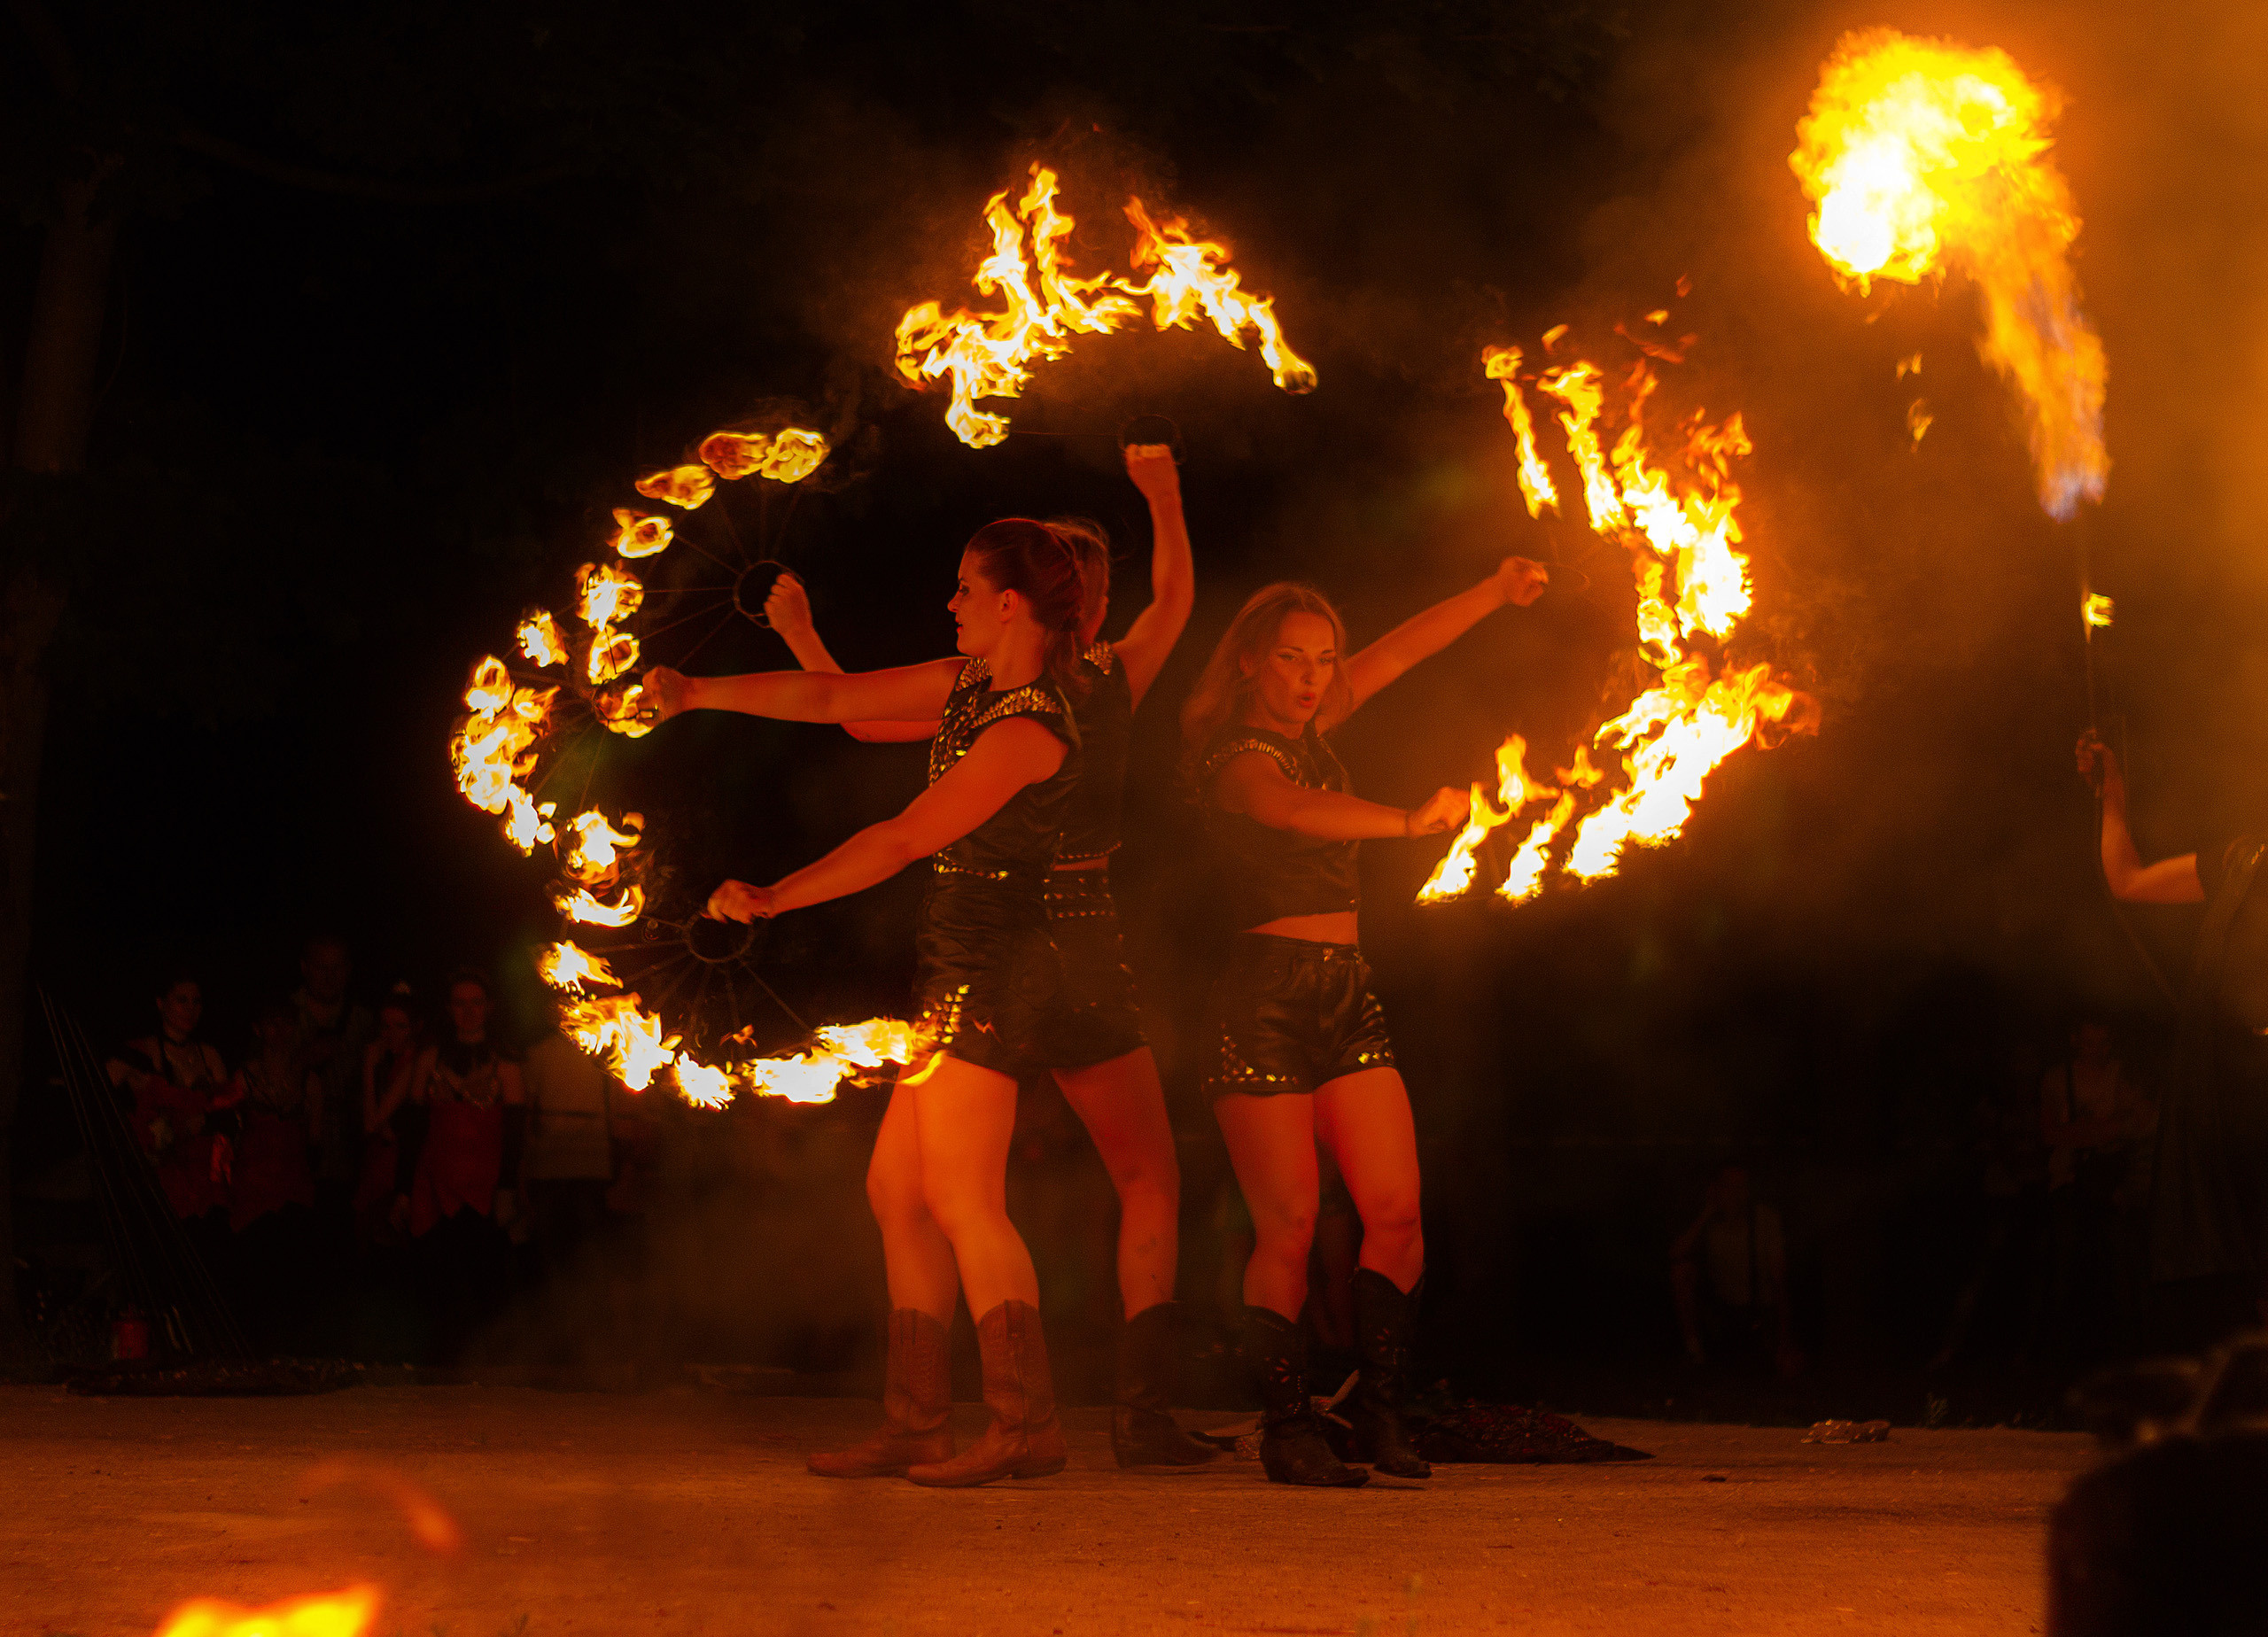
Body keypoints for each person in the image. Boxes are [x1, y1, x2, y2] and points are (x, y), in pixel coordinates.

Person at [759, 443, 1213, 1466]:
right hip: (1018, 936)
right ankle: (936, 1416)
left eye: (1082, 577)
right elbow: (856, 714)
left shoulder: (1075, 692)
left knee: (1013, 1187)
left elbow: (902, 816)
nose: (1082, 594)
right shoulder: (993, 687)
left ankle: (1050, 1420)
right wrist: (784, 645)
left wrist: (1164, 498)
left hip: (1027, 942)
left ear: (1042, 603)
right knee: (914, 1189)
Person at [642, 514, 1091, 1487]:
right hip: (952, 966)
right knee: (896, 1191)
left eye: (964, 589)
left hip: (1005, 967)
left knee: (965, 1198)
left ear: (1009, 604)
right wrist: (693, 695)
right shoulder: (969, 684)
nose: (949, 603)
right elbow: (837, 697)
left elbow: (900, 837)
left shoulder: (1029, 727)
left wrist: (774, 894)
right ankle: (918, 1420)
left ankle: (1026, 1424)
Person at [1184, 562, 1547, 1486]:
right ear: (1249, 668)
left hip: (1348, 990)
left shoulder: (1318, 727)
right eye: (1291, 660)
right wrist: (1404, 819)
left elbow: (1402, 651)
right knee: (1291, 1225)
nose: (1311, 677)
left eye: (1323, 660)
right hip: (1260, 998)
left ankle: (1380, 1415)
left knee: (1393, 1211)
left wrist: (1492, 593)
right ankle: (1289, 1424)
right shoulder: (1236, 759)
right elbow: (1295, 812)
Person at [2078, 733, 2268, 1334]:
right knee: (2241, 1241)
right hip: (2231, 1085)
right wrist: (2112, 795)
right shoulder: (2241, 860)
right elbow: (2128, 881)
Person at [395, 971, 526, 1362]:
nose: (468, 1012)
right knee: (438, 1285)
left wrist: (506, 1190)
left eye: (476, 1003)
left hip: (487, 1192)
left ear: (489, 1009)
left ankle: (489, 1373)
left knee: (487, 1285)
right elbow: (413, 1130)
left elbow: (515, 1133)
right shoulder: (430, 1060)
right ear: (449, 1010)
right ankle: (439, 1377)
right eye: (460, 1003)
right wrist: (403, 1190)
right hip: (435, 1188)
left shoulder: (507, 1064)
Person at [2040, 1014, 2156, 1362]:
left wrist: (2087, 1131)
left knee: (2117, 1270)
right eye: (2091, 1042)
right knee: (2067, 1267)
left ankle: (2121, 1352)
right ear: (2075, 1040)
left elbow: (2141, 1120)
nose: (2099, 1050)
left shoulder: (2121, 1073)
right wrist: (2105, 1129)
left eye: (2105, 1042)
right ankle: (2062, 1353)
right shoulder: (2057, 1078)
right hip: (2070, 1183)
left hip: (2112, 1187)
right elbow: (2049, 1134)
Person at [226, 999, 325, 1349]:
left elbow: (316, 1139)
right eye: (273, 1023)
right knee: (254, 1275)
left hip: (293, 1186)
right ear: (258, 1028)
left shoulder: (309, 1081)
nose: (280, 1032)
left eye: (287, 1024)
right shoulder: (243, 1077)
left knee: (290, 1277)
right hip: (252, 1189)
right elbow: (229, 1134)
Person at [105, 974, 232, 1234]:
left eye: (197, 1002)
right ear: (161, 1003)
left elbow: (231, 1115)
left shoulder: (209, 1055)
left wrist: (205, 1122)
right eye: (182, 1000)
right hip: (159, 1176)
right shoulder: (140, 1052)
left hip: (205, 1177)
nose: (190, 1009)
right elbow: (95, 1092)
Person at [1670, 1162, 1803, 1379]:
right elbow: (1676, 1254)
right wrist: (1707, 1211)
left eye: (1739, 1188)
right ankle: (1695, 1354)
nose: (1733, 1195)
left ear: (1748, 1191)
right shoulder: (1708, 1221)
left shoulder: (1764, 1220)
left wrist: (1785, 1339)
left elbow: (1780, 1281)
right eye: (1726, 1187)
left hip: (1759, 1313)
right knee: (1681, 1272)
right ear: (1715, 1189)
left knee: (1787, 1368)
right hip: (1725, 1312)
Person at [291, 935, 375, 1218]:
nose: (329, 976)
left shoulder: (365, 1021)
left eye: (337, 967)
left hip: (350, 1155)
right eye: (321, 967)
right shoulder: (283, 1016)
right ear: (305, 968)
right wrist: (302, 1060)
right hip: (294, 1152)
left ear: (348, 969)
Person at [354, 985, 419, 1247]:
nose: (390, 1034)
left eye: (400, 1026)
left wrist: (368, 1067)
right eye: (385, 1026)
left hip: (396, 1165)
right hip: (378, 1158)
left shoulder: (414, 1063)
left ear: (415, 1027)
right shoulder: (392, 1061)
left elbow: (371, 1123)